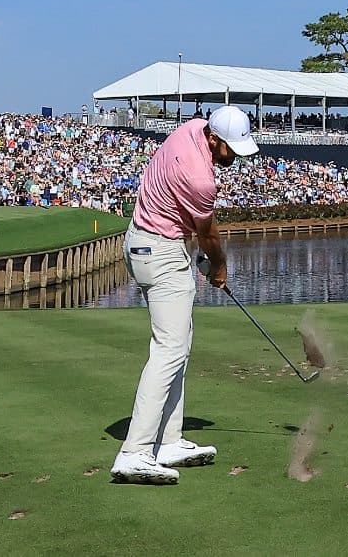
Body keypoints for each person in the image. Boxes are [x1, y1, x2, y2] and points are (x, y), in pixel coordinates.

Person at [110, 106, 259, 485]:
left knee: (178, 343)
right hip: (160, 251)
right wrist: (219, 266)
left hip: (142, 242)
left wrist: (207, 262)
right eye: (231, 150)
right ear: (214, 139)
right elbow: (207, 235)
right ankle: (135, 451)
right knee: (169, 350)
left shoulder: (192, 127)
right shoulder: (201, 179)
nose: (234, 159)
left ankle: (169, 440)